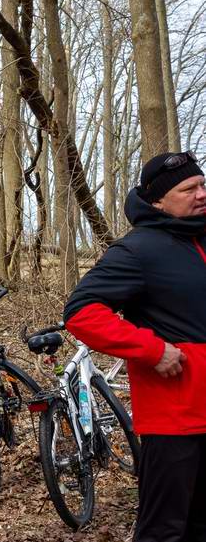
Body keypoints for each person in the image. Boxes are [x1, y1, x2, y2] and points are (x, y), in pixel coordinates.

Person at [63, 152, 206, 542]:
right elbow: (81, 312)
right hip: (174, 418)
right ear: (158, 200)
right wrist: (151, 349)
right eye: (188, 189)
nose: (201, 194)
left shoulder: (200, 238)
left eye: (202, 184)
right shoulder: (138, 250)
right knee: (164, 530)